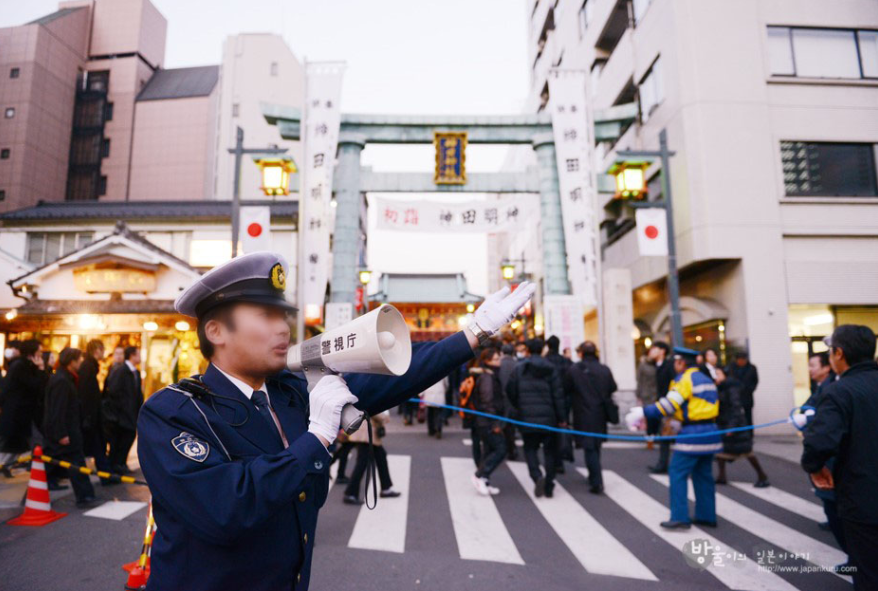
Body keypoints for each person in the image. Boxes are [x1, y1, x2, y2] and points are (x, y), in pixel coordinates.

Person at [136, 252, 535, 591]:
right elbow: (224, 510)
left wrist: (474, 333)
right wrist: (317, 436)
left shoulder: (289, 389)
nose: (283, 327)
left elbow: (396, 375)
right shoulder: (171, 413)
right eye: (265, 315)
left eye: (283, 315)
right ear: (215, 330)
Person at [801, 325, 878, 590]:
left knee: (868, 572)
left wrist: (814, 466)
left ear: (839, 353)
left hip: (863, 497)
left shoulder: (839, 391)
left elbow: (820, 440)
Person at [627, 347, 721, 529]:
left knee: (677, 472)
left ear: (681, 362)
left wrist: (643, 412)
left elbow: (668, 405)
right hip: (711, 431)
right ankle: (707, 515)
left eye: (675, 362)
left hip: (692, 434)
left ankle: (680, 516)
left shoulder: (685, 380)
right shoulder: (706, 379)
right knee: (703, 475)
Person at [506, 338, 566, 498]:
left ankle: (537, 476)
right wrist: (562, 417)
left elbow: (510, 389)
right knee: (550, 452)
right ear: (543, 350)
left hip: (526, 416)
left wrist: (518, 405)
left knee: (530, 448)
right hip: (549, 417)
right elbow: (558, 395)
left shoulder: (520, 368)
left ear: (527, 350)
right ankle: (549, 484)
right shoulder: (551, 369)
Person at [43, 347, 98, 508]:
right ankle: (85, 495)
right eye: (79, 360)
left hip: (66, 430)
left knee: (68, 462)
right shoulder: (61, 380)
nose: (81, 362)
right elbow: (58, 409)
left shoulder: (65, 378)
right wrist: (61, 434)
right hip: (64, 431)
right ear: (71, 361)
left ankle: (86, 495)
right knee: (69, 462)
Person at [564, 341, 618, 494]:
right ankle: (594, 476)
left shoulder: (574, 370)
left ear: (581, 353)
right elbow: (613, 387)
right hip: (600, 413)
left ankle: (596, 481)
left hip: (582, 412)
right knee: (596, 446)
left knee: (589, 448)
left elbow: (566, 388)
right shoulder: (604, 369)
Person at [713, 367, 770, 487]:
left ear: (725, 374)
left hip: (734, 424)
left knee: (746, 451)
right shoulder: (720, 387)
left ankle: (762, 475)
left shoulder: (731, 388)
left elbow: (736, 408)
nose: (716, 376)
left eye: (718, 374)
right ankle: (721, 476)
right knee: (721, 452)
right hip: (724, 423)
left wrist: (732, 427)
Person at [0, 340, 46, 473]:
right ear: (32, 352)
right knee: (34, 443)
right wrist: (41, 369)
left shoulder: (23, 365)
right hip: (18, 414)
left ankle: (6, 466)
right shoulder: (21, 366)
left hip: (22, 414)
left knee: (18, 445)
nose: (41, 353)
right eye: (39, 351)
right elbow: (35, 386)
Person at [342, 411, 401, 504]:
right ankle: (350, 493)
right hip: (366, 434)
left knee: (380, 457)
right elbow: (372, 410)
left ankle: (385, 488)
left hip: (367, 432)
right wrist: (384, 418)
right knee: (362, 463)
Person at [470, 348, 506, 496]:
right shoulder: (486, 377)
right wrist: (495, 423)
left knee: (489, 450)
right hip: (487, 421)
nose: (499, 362)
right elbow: (487, 402)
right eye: (496, 360)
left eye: (499, 359)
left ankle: (484, 479)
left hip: (486, 420)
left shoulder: (489, 375)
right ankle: (479, 475)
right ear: (487, 361)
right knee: (500, 449)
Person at [103, 346, 143, 473]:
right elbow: (113, 391)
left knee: (128, 438)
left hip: (131, 415)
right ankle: (116, 466)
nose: (140, 356)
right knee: (119, 441)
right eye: (138, 354)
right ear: (132, 355)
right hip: (121, 416)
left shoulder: (135, 372)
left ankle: (121, 464)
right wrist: (121, 410)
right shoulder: (121, 370)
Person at [78, 339, 111, 474]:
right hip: (91, 416)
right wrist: (89, 416)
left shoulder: (90, 366)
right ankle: (104, 473)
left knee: (98, 445)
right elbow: (87, 394)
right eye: (103, 350)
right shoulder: (88, 367)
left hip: (92, 415)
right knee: (96, 445)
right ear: (97, 350)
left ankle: (105, 472)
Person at [545, 335, 574, 473]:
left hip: (548, 401)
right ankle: (560, 461)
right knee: (562, 427)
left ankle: (553, 461)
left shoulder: (544, 361)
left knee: (550, 434)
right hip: (564, 400)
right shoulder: (566, 362)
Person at [649, 341, 675, 474]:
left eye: (654, 349)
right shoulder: (654, 365)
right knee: (663, 435)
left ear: (662, 351)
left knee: (667, 435)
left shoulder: (669, 365)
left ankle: (664, 464)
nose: (651, 351)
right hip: (660, 404)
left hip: (669, 405)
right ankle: (662, 464)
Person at [497, 344, 519, 460]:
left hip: (501, 398)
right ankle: (511, 448)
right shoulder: (517, 364)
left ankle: (505, 448)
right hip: (514, 399)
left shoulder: (498, 364)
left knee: (502, 424)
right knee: (511, 426)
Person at [727, 351, 758, 425]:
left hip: (747, 396)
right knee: (736, 416)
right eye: (739, 359)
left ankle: (749, 433)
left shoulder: (752, 368)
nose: (741, 361)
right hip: (735, 396)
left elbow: (755, 381)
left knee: (748, 416)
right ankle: (738, 434)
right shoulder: (732, 368)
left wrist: (750, 389)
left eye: (743, 359)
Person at [635, 348, 658, 449]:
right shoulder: (643, 365)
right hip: (647, 395)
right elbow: (639, 380)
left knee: (656, 418)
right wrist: (638, 395)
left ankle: (654, 437)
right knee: (649, 418)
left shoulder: (659, 365)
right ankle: (650, 439)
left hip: (657, 395)